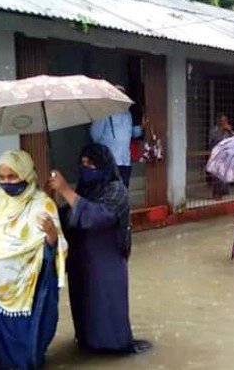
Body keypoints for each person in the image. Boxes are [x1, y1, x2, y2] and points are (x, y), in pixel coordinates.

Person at [0, 150, 68, 369]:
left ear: (27, 174)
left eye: (12, 177)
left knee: (21, 357)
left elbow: (57, 251)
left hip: (25, 292)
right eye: (2, 177)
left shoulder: (43, 205)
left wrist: (51, 235)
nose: (6, 182)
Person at [48, 144, 151, 355]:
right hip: (82, 263)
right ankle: (88, 343)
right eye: (83, 164)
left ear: (104, 165)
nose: (87, 168)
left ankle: (114, 347)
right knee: (85, 307)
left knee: (107, 306)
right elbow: (65, 218)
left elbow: (98, 216)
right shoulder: (85, 190)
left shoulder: (117, 190)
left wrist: (65, 190)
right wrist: (52, 195)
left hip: (107, 263)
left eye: (92, 164)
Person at [89, 85, 143, 188]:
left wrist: (142, 127)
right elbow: (94, 135)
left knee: (123, 191)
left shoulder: (128, 114)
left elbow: (133, 133)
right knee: (110, 192)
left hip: (125, 160)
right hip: (109, 161)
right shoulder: (104, 113)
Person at [209, 114, 234, 199]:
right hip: (217, 155)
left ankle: (223, 192)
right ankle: (216, 194)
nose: (225, 122)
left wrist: (230, 131)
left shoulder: (228, 130)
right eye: (223, 120)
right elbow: (213, 140)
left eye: (226, 120)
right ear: (219, 121)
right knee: (217, 176)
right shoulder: (214, 130)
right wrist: (221, 130)